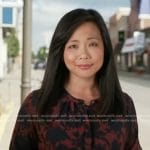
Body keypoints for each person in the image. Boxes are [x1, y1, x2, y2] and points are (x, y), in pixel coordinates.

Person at [9, 8, 142, 150]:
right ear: (61, 51)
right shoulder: (36, 105)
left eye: (92, 44)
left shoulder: (123, 105)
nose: (83, 54)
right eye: (73, 46)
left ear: (105, 48)